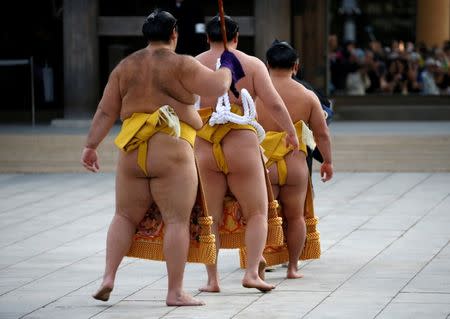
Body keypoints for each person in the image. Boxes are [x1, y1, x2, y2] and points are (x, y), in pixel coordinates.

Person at [81, 9, 245, 306]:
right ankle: (174, 292)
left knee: (123, 216)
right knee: (176, 221)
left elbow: (106, 111)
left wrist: (90, 146)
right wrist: (227, 64)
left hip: (133, 149)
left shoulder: (125, 66)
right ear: (174, 34)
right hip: (171, 148)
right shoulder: (181, 64)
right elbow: (218, 87)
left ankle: (108, 277)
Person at [194, 15, 299, 293]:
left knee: (211, 217)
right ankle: (252, 272)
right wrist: (290, 131)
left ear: (207, 38)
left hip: (204, 144)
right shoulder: (252, 65)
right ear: (237, 37)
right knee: (256, 213)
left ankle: (212, 280)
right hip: (241, 142)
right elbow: (274, 103)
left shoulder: (194, 65)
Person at [255, 40, 333, 278]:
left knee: (262, 216)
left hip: (265, 163)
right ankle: (292, 267)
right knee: (295, 216)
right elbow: (322, 133)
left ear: (267, 65)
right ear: (296, 66)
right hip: (295, 163)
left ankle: (261, 261)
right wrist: (327, 161)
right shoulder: (308, 96)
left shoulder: (256, 94)